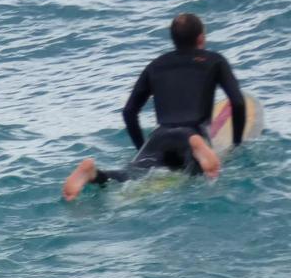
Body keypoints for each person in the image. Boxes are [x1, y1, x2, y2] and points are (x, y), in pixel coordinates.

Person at [62, 13, 246, 200]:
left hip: (158, 137)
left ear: (173, 39)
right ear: (201, 37)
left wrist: (141, 148)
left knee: (130, 176)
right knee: (192, 173)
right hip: (192, 134)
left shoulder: (156, 65)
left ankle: (93, 173)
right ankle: (198, 148)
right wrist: (237, 144)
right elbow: (238, 102)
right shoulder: (215, 60)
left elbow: (129, 112)